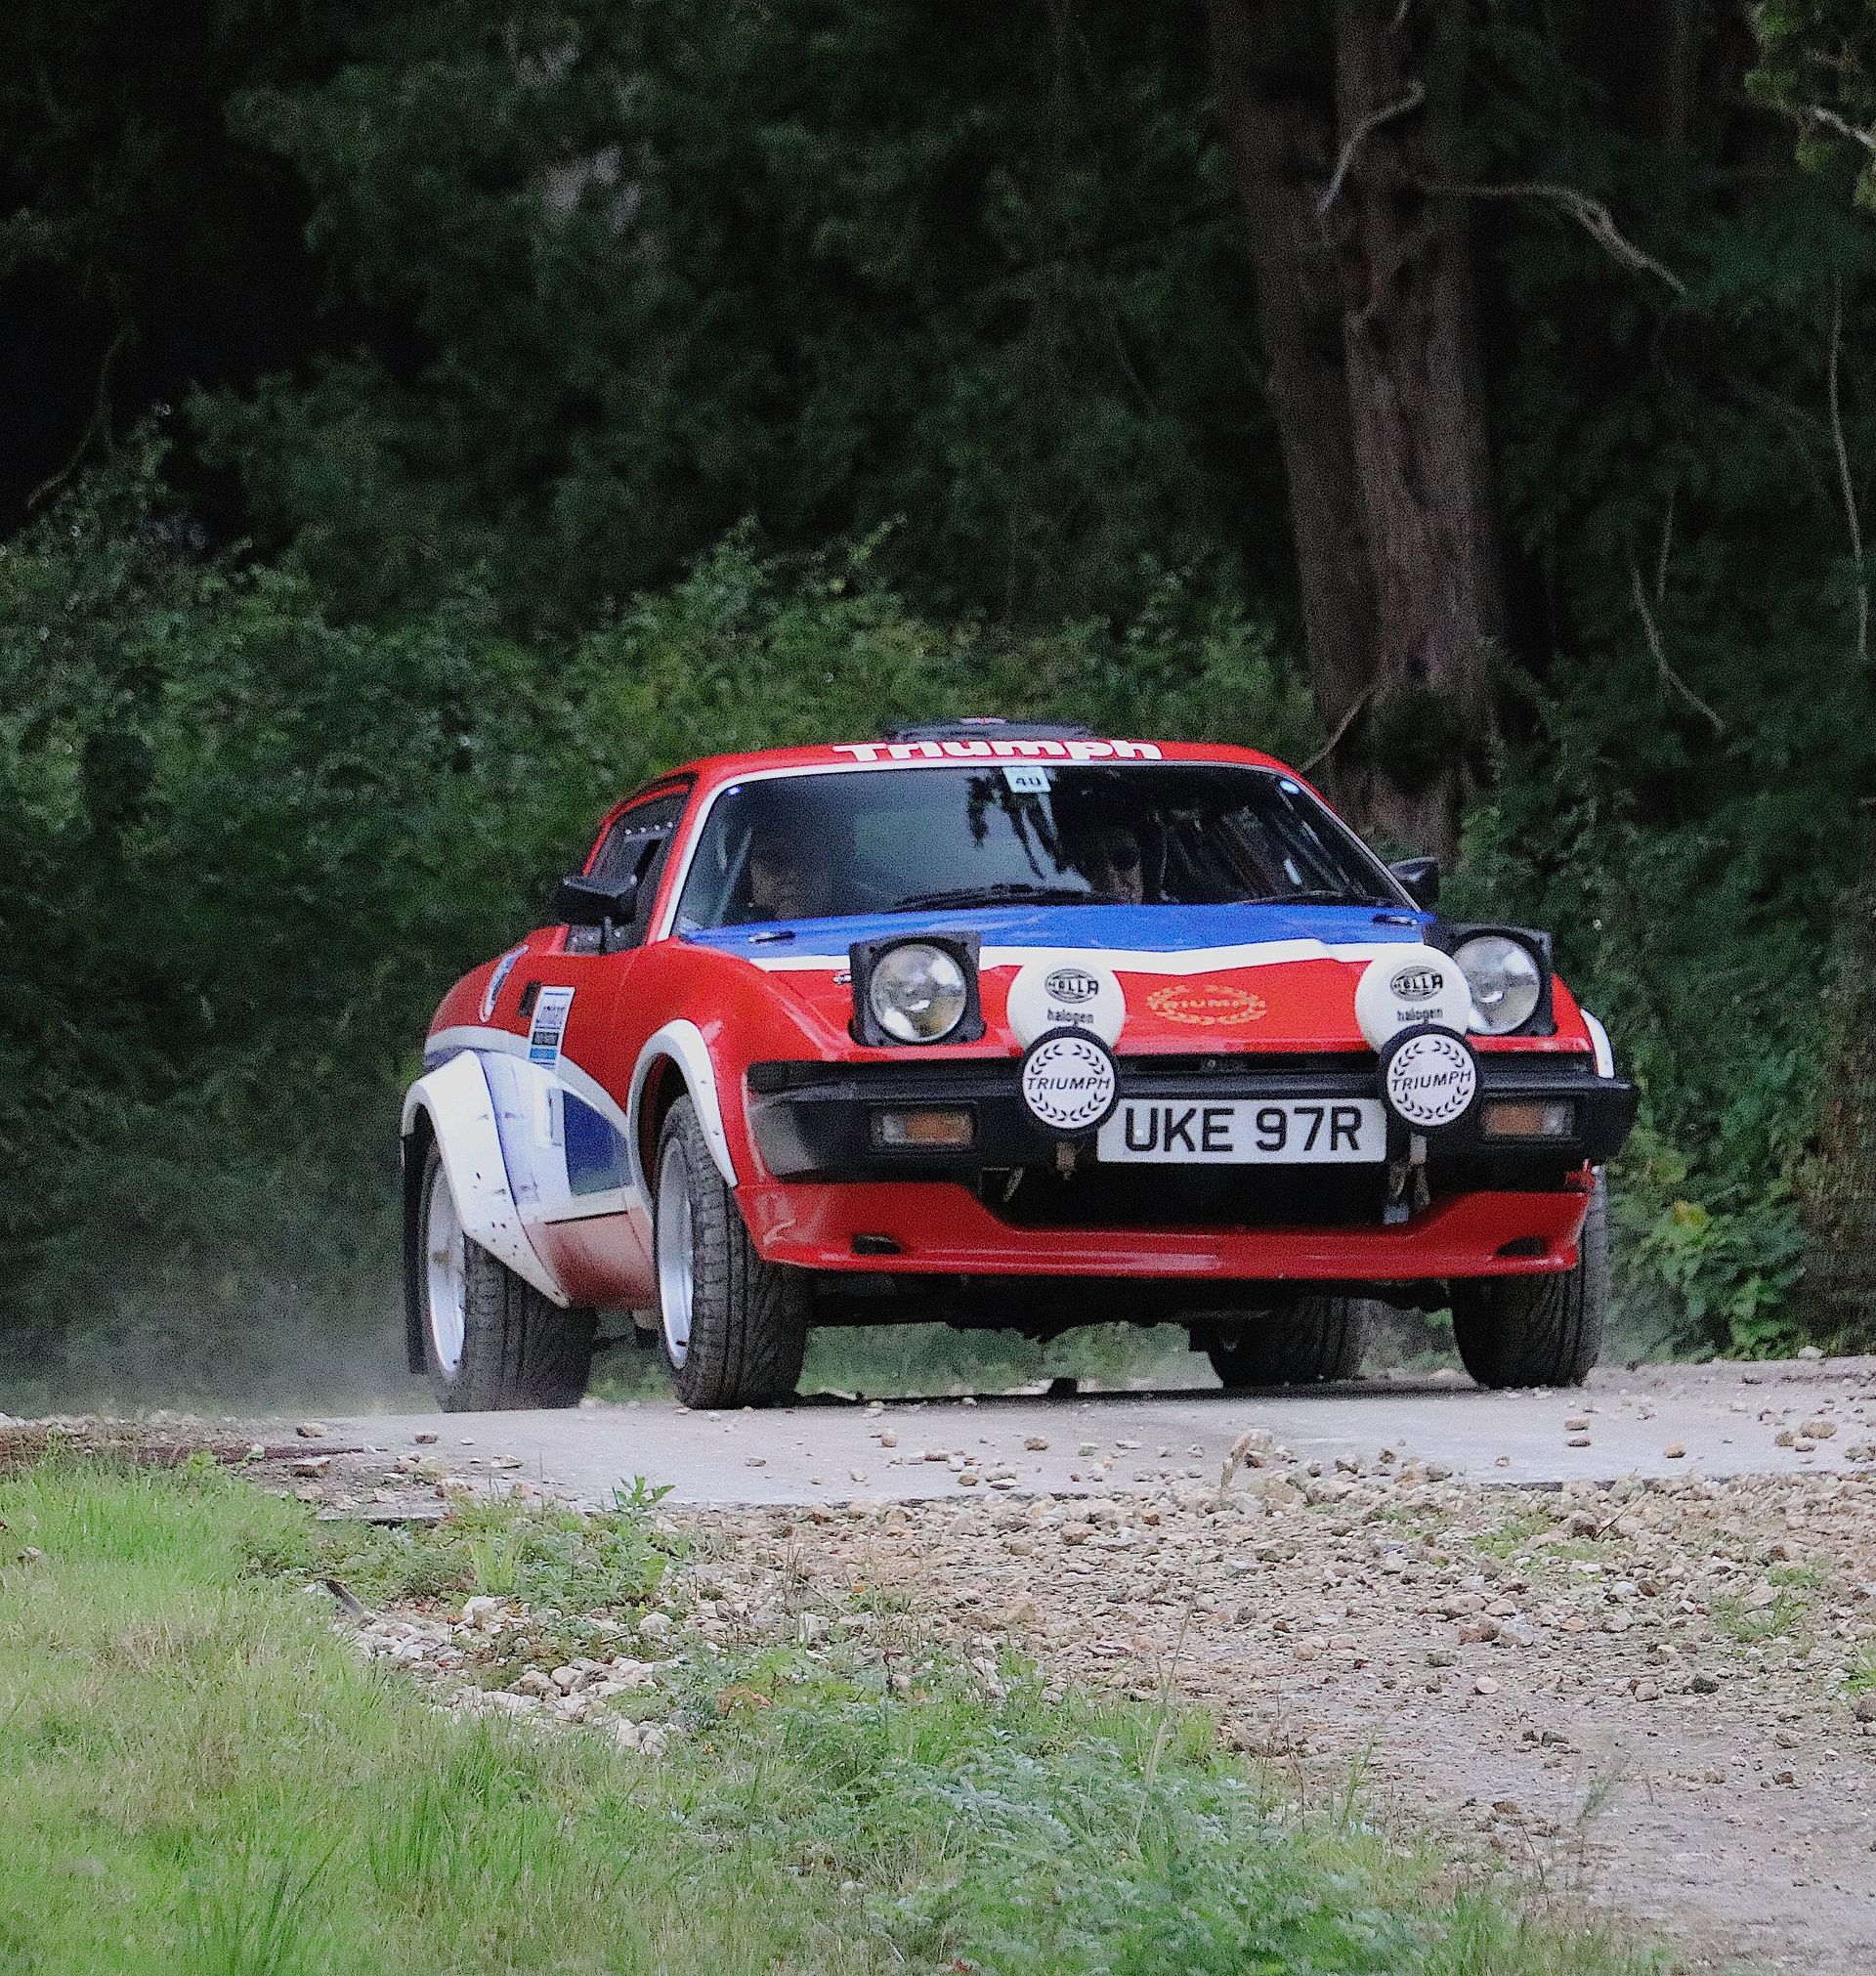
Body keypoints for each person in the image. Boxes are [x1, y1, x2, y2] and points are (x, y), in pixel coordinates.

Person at [1057, 816, 1145, 904]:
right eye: (1097, 865)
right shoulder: (1069, 908)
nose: (1113, 876)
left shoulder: (1155, 912)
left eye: (1125, 859)